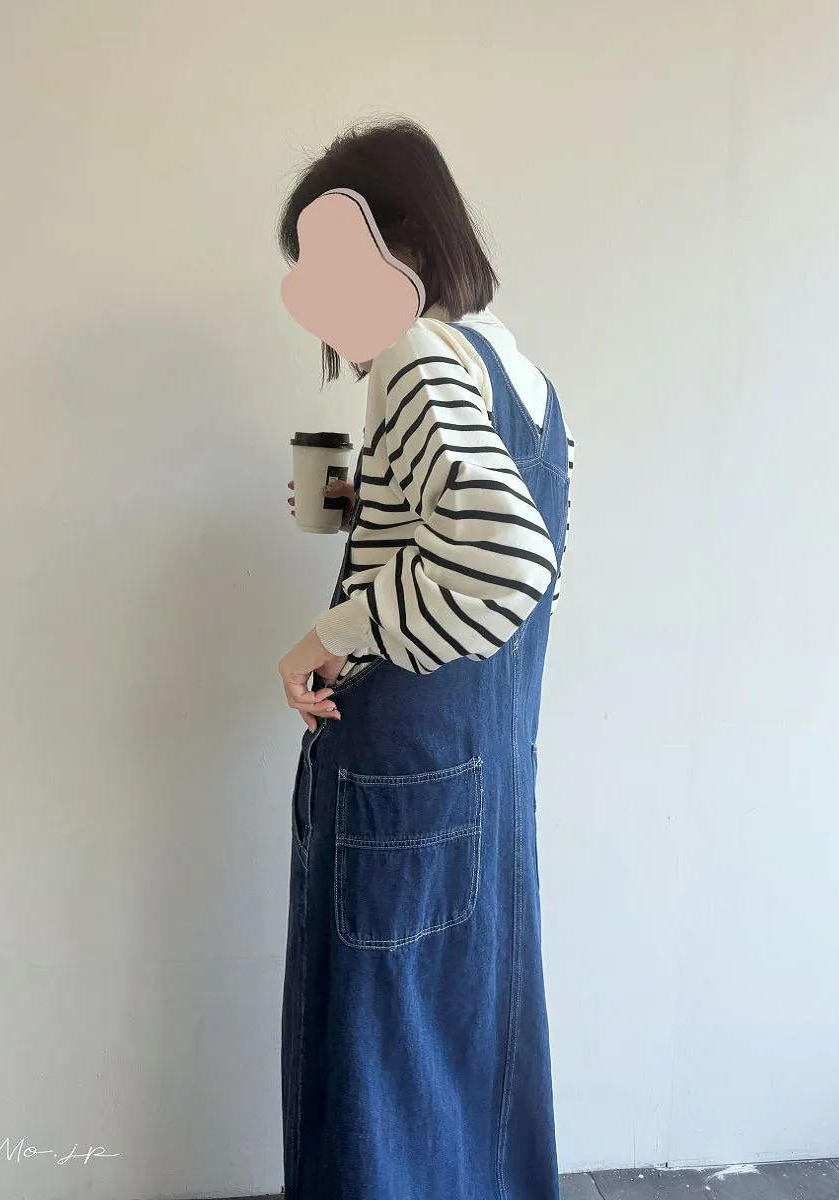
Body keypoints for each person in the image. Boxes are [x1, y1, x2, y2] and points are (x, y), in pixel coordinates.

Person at [276, 117, 573, 1200]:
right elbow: (505, 565)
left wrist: (328, 633)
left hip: (400, 781)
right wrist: (374, 504)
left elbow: (508, 561)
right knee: (468, 1053)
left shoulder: (415, 356)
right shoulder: (522, 374)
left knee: (380, 1064)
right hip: (488, 775)